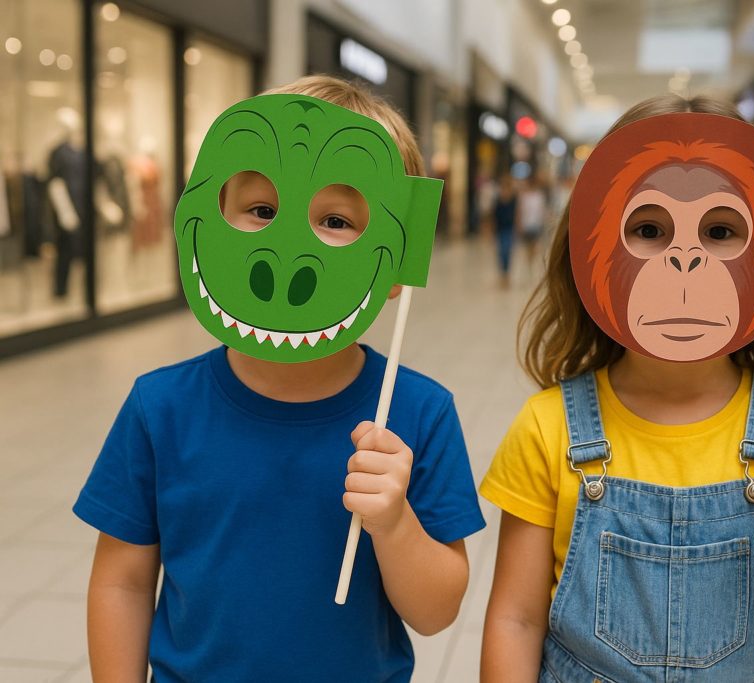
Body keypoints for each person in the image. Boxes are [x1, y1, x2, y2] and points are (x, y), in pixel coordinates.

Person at [73, 75, 486, 683]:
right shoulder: (159, 408)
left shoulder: (417, 413)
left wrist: (394, 523)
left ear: (396, 260)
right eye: (262, 210)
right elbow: (121, 582)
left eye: (338, 220)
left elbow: (436, 612)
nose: (292, 249)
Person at [479, 95, 754, 681]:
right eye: (647, 228)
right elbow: (515, 621)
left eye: (722, 230)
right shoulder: (549, 428)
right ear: (590, 250)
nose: (684, 259)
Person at [517, 174, 548, 277]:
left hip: (536, 225)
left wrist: (543, 222)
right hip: (527, 225)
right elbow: (520, 211)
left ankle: (531, 262)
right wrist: (520, 223)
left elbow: (541, 210)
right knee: (527, 247)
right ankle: (528, 264)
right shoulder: (524, 196)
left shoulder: (539, 196)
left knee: (534, 247)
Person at [493, 173, 518, 288]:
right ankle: (503, 274)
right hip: (500, 229)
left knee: (507, 251)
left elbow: (516, 213)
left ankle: (506, 275)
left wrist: (518, 226)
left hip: (509, 228)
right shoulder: (498, 199)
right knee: (501, 252)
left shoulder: (513, 199)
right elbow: (494, 215)